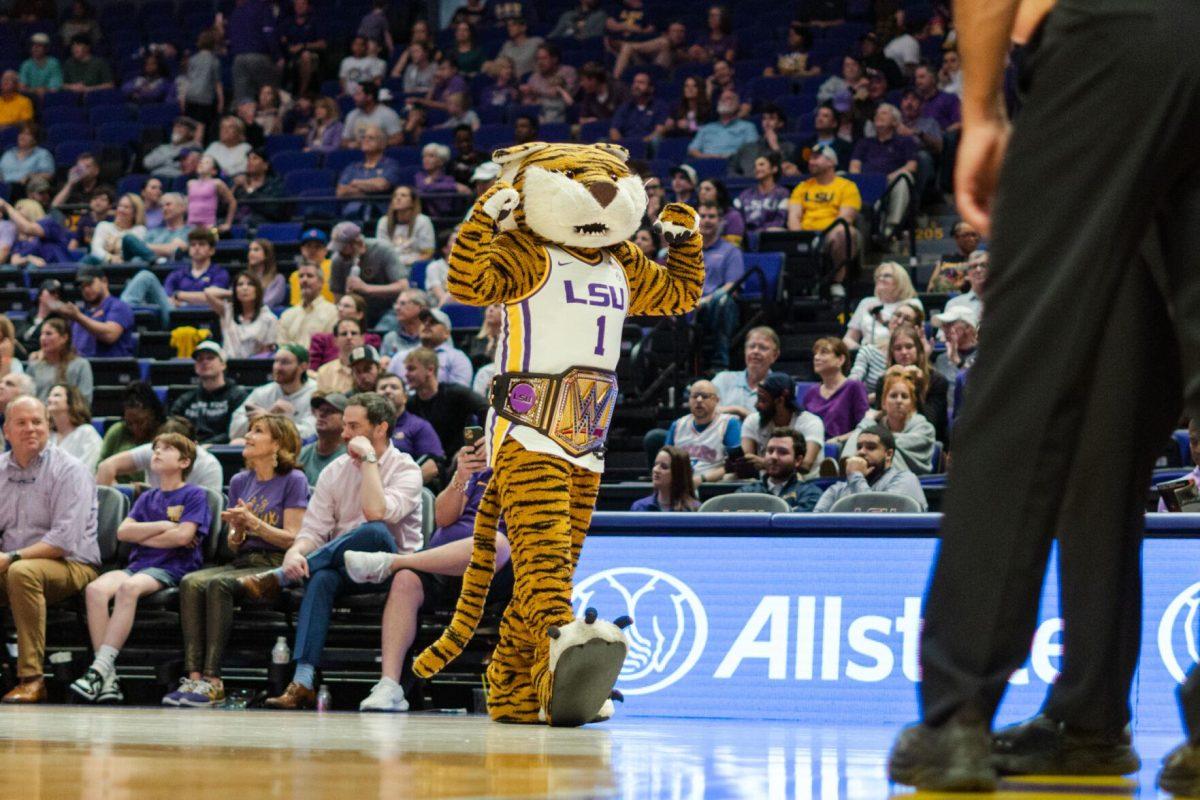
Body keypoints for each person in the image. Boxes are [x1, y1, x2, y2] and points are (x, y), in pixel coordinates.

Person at [237, 393, 423, 709]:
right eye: (345, 425)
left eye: (353, 426)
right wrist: (296, 553)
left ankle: (281, 578)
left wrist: (368, 461)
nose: (345, 434)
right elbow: (313, 531)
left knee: (374, 531)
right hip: (344, 567)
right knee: (321, 577)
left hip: (394, 570)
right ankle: (303, 681)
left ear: (380, 429)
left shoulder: (407, 470)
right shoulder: (334, 471)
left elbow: (377, 513)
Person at [340, 438, 513, 712]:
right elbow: (444, 518)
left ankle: (394, 561)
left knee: (496, 543)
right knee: (406, 579)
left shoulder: (532, 475)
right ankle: (390, 685)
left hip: (493, 576)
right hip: (441, 565)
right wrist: (461, 475)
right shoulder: (481, 468)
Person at [163, 414, 307, 707]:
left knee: (219, 585)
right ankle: (194, 678)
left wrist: (254, 524)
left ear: (277, 443)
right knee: (190, 582)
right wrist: (239, 529)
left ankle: (214, 680)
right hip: (244, 560)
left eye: (257, 431)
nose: (248, 435)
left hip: (276, 563)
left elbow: (293, 538)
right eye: (249, 430)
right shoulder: (241, 481)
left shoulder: (294, 480)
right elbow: (232, 543)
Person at [72, 433, 210, 704]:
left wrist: (146, 534)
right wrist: (164, 526)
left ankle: (99, 668)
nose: (156, 452)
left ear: (184, 461)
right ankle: (108, 679)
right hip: (139, 564)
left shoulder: (195, 495)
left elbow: (183, 538)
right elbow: (124, 532)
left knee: (128, 588)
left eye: (166, 449)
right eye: (155, 448)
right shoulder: (147, 497)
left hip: (172, 566)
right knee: (95, 590)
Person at [0, 396, 100, 704]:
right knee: (18, 571)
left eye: (37, 422)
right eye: (21, 422)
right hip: (11, 562)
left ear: (49, 427)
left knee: (22, 572)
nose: (31, 429)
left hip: (72, 564)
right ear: (6, 431)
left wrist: (10, 557)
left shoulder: (71, 470)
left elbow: (63, 541)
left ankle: (32, 678)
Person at [786, 145, 861, 299]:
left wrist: (822, 237)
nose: (811, 162)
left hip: (832, 233)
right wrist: (801, 237)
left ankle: (837, 282)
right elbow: (794, 215)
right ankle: (787, 287)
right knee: (773, 233)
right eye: (810, 158)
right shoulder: (802, 187)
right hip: (806, 233)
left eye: (816, 157)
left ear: (831, 162)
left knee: (844, 233)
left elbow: (845, 219)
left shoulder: (847, 186)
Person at [121, 229, 231, 329]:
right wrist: (191, 299)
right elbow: (167, 299)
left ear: (211, 250)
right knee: (145, 276)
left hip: (207, 320)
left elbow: (211, 297)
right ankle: (120, 316)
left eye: (201, 244)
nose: (197, 248)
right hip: (174, 318)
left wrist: (179, 295)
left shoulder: (219, 273)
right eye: (193, 245)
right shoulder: (177, 274)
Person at [843, 367, 936, 475]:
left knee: (887, 451)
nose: (899, 401)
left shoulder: (926, 429)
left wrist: (869, 431)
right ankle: (846, 465)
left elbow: (887, 442)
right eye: (893, 396)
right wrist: (867, 421)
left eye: (904, 396)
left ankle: (851, 465)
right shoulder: (877, 426)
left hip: (914, 481)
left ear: (912, 404)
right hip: (877, 478)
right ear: (883, 403)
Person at [814, 424, 927, 512]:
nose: (861, 452)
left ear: (888, 454)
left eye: (871, 447)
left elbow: (875, 520)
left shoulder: (905, 480)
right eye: (859, 447)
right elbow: (815, 526)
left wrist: (855, 475)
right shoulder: (836, 490)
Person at [849, 104, 919, 243]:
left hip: (890, 182)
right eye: (877, 114)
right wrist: (860, 179)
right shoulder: (865, 142)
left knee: (904, 177)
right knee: (839, 176)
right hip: (866, 182)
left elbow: (912, 165)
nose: (878, 116)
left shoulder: (905, 141)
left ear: (894, 121)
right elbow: (854, 165)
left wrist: (886, 179)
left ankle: (890, 228)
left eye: (884, 113)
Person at [401, 347, 488, 457]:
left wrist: (486, 439)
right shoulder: (410, 404)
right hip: (427, 462)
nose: (406, 374)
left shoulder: (456, 393)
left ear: (430, 370)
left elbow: (486, 408)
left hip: (459, 459)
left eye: (411, 369)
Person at [742, 373, 824, 477]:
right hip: (765, 485)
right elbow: (747, 461)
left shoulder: (811, 423)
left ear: (780, 400)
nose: (757, 405)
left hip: (803, 485)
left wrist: (765, 463)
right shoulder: (753, 420)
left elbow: (805, 465)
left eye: (763, 400)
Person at [168, 341, 251, 444]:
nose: (204, 362)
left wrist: (208, 444)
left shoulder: (238, 396)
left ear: (223, 364)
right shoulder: (186, 399)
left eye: (210, 358)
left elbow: (235, 431)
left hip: (223, 450)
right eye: (200, 359)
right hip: (190, 451)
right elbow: (172, 425)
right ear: (195, 367)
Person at [328, 221, 408, 327]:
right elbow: (338, 296)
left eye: (343, 248)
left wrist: (366, 288)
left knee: (384, 326)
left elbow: (403, 286)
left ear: (357, 243)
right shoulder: (338, 260)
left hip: (388, 308)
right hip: (357, 311)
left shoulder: (383, 250)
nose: (340, 252)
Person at [229, 345, 316, 441]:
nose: (277, 367)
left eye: (285, 362)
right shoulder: (263, 392)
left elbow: (312, 433)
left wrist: (270, 421)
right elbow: (234, 431)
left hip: (303, 450)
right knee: (238, 443)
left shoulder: (315, 393)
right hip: (266, 446)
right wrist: (259, 420)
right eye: (276, 361)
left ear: (303, 367)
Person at [695, 201, 743, 371]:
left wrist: (706, 300)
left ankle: (720, 363)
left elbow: (732, 285)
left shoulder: (731, 251)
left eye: (712, 216)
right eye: (703, 216)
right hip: (689, 305)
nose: (707, 220)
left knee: (723, 301)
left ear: (721, 221)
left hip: (713, 306)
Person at [664, 380, 741, 485]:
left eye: (705, 396)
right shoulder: (677, 425)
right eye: (695, 396)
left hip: (713, 485)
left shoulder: (729, 423)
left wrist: (702, 479)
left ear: (716, 401)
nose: (699, 400)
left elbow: (735, 466)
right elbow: (665, 461)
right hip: (680, 485)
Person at [55, 265, 136, 359]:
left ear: (104, 281)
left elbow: (110, 335)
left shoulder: (118, 306)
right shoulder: (80, 312)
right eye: (82, 286)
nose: (86, 289)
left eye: (89, 283)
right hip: (81, 368)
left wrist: (78, 317)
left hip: (109, 368)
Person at [377, 373, 443, 486]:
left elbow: (432, 467)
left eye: (394, 387)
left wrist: (402, 487)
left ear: (405, 397)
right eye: (383, 388)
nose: (387, 391)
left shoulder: (419, 426)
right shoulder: (368, 427)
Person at [735, 428, 824, 512]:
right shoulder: (746, 492)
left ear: (798, 460)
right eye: (770, 451)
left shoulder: (810, 494)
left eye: (782, 452)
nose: (773, 456)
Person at [844, 261, 922, 351]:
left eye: (886, 276)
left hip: (898, 353)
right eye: (878, 276)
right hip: (865, 353)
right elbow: (848, 339)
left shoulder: (912, 303)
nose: (881, 278)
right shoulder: (866, 302)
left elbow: (915, 337)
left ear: (900, 280)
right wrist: (863, 351)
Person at [804, 337, 870, 441]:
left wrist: (838, 439)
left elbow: (865, 427)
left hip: (842, 448)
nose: (816, 357)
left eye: (823, 353)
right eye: (815, 354)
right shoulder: (811, 392)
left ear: (840, 360)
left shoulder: (854, 387)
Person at [204, 271, 279, 359]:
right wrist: (234, 294)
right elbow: (208, 292)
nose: (244, 288)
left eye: (250, 284)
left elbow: (268, 351)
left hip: (253, 366)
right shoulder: (228, 311)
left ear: (258, 290)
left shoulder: (269, 318)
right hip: (227, 365)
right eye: (240, 285)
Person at [711, 326, 780, 420]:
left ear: (775, 355)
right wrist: (736, 410)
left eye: (763, 348)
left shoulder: (780, 387)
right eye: (751, 346)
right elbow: (704, 412)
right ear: (745, 351)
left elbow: (777, 425)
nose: (755, 351)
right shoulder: (723, 379)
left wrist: (740, 412)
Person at [336, 125, 402, 221]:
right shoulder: (352, 167)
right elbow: (341, 192)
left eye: (371, 138)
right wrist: (372, 192)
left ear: (382, 144)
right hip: (351, 216)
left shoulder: (391, 165)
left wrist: (355, 183)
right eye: (364, 137)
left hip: (379, 217)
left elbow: (382, 185)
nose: (365, 140)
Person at [400, 307, 471, 388]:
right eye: (423, 322)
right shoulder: (401, 356)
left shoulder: (457, 358)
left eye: (433, 322)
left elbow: (460, 393)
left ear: (446, 333)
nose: (426, 324)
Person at [28, 317, 93, 403]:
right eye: (41, 334)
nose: (43, 338)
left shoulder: (80, 365)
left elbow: (85, 400)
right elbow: (27, 398)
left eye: (48, 334)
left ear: (64, 338)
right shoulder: (34, 366)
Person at [278, 262, 339, 349]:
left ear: (321, 282)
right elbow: (282, 347)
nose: (304, 280)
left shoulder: (333, 312)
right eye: (301, 276)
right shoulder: (287, 315)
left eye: (309, 276)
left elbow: (330, 348)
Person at [687, 89, 757, 161]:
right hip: (706, 163)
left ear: (737, 105)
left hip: (733, 165)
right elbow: (692, 149)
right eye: (721, 99)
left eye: (728, 98)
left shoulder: (748, 127)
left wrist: (726, 157)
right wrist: (706, 157)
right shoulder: (706, 128)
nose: (723, 100)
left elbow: (752, 151)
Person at [729, 104, 796, 178]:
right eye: (764, 118)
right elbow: (731, 169)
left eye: (772, 118)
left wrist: (775, 147)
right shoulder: (747, 147)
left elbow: (788, 171)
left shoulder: (789, 147)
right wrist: (743, 180)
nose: (767, 122)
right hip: (747, 186)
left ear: (780, 123)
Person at [2, 198, 71, 267]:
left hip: (61, 271)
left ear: (33, 209)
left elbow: (28, 228)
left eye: (19, 208)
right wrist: (28, 259)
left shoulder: (48, 223)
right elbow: (14, 260)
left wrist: (6, 206)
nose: (15, 212)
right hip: (39, 275)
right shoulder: (22, 239)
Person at [375, 185, 435, 266]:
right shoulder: (383, 221)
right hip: (390, 266)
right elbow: (381, 252)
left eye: (403, 195)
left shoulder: (423, 221)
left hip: (414, 266)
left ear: (413, 202)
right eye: (395, 196)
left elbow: (428, 254)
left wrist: (407, 264)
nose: (398, 198)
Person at [47, 383, 101, 470]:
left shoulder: (86, 432)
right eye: (49, 396)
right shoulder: (48, 435)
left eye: (56, 395)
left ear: (71, 401)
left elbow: (88, 467)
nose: (49, 399)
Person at [631, 446, 700, 511]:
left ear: (678, 474)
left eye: (664, 467)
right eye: (655, 464)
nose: (656, 470)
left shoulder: (694, 509)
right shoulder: (639, 507)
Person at [299, 393, 347, 484]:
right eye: (320, 410)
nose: (322, 414)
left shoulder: (349, 460)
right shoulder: (302, 453)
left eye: (330, 411)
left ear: (345, 421)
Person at [735, 155, 791, 233]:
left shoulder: (782, 194)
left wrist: (761, 231)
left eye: (761, 165)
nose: (757, 169)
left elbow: (780, 220)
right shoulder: (745, 194)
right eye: (755, 166)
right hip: (747, 237)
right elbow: (736, 216)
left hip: (770, 237)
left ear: (774, 169)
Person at [608, 72, 668, 143]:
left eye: (641, 83)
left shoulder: (660, 106)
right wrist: (622, 145)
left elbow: (659, 131)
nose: (636, 85)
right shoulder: (625, 107)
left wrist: (640, 144)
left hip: (648, 145)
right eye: (635, 82)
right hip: (625, 145)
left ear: (650, 88)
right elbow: (614, 130)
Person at [232, 148, 286, 225]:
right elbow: (226, 206)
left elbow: (272, 208)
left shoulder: (274, 184)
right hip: (238, 222)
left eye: (255, 158)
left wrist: (247, 188)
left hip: (264, 223)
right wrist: (234, 186)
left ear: (265, 165)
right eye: (248, 159)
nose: (250, 162)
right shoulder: (240, 183)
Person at [926, 220, 982, 292]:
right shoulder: (945, 260)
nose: (972, 238)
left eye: (974, 235)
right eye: (966, 235)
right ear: (956, 237)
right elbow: (931, 288)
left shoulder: (984, 259)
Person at [342, 82, 403, 147]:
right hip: (358, 154)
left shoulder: (388, 114)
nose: (354, 97)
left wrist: (376, 144)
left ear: (369, 97)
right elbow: (344, 141)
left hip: (381, 153)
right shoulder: (352, 115)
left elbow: (398, 139)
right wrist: (351, 144)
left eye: (358, 94)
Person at [314, 317, 365, 394]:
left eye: (354, 333)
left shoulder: (373, 368)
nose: (349, 337)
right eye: (344, 334)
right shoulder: (324, 371)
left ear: (362, 338)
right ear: (335, 340)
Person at [188, 155, 238, 232]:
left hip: (209, 224)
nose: (201, 164)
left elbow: (232, 202)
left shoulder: (217, 183)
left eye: (206, 162)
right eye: (201, 162)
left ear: (213, 170)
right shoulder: (190, 183)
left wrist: (228, 223)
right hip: (191, 225)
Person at [379, 288, 429, 359]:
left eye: (403, 303)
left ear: (421, 307)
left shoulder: (432, 336)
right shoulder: (390, 338)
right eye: (396, 304)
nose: (397, 308)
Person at [244, 238, 286, 307]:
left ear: (266, 255)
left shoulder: (278, 279)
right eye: (250, 250)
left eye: (256, 250)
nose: (251, 253)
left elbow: (269, 302)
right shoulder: (244, 278)